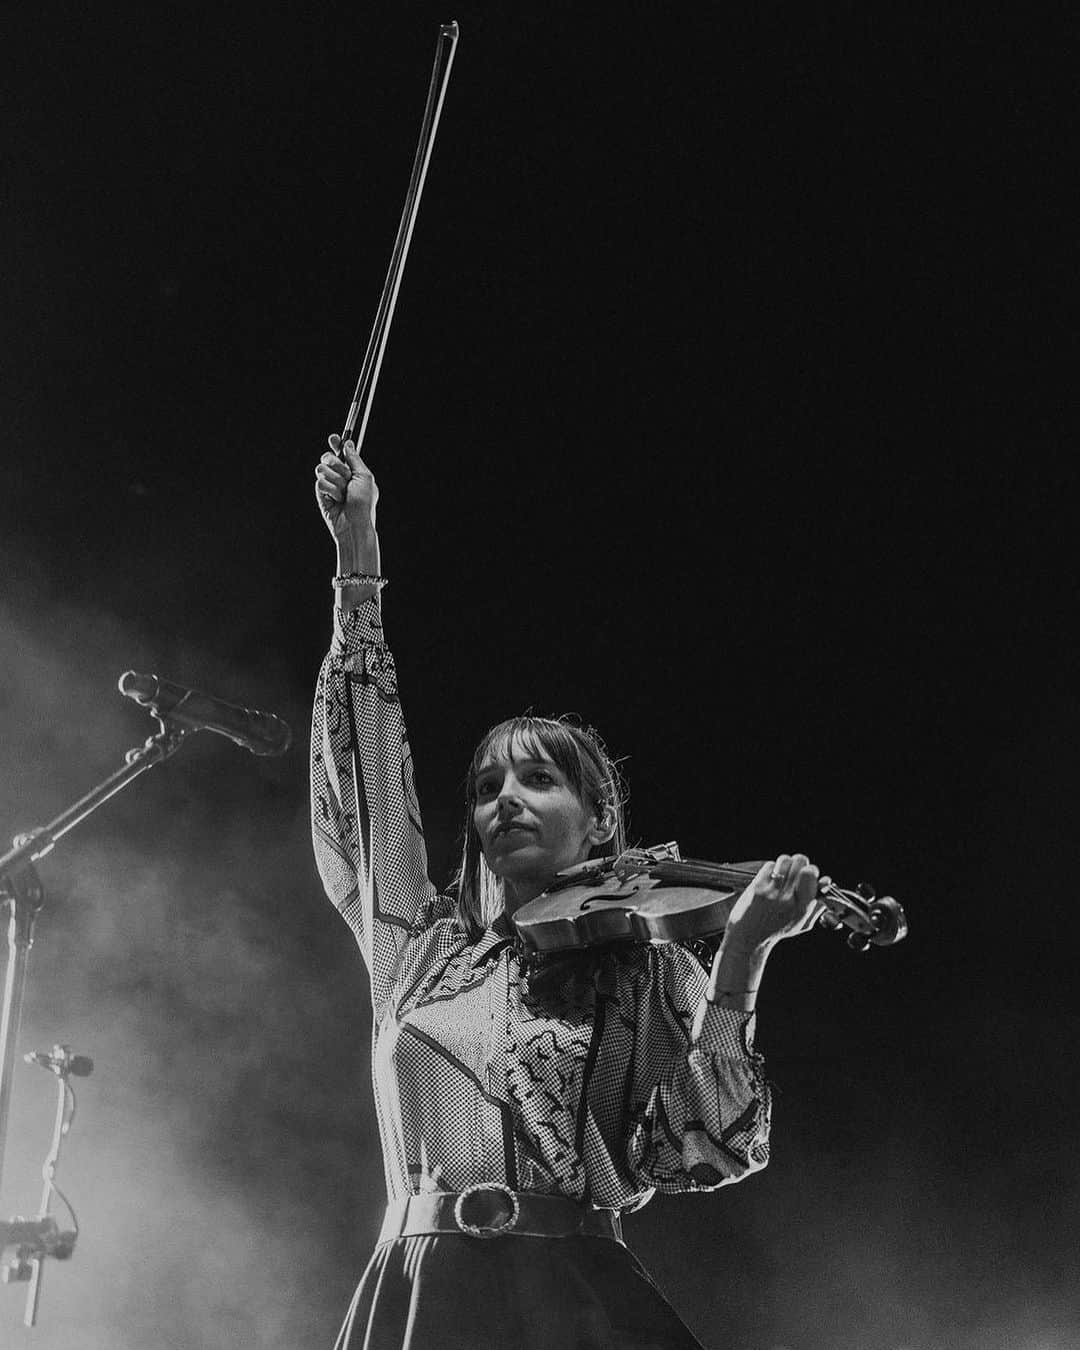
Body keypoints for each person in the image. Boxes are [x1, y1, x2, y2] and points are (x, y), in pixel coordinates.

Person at [311, 436, 825, 1350]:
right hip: (420, 1292)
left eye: (538, 781)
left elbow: (700, 1151)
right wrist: (359, 555)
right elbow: (365, 788)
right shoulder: (416, 947)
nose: (504, 799)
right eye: (486, 788)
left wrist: (742, 953)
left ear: (598, 824)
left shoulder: (643, 974)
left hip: (569, 1298)